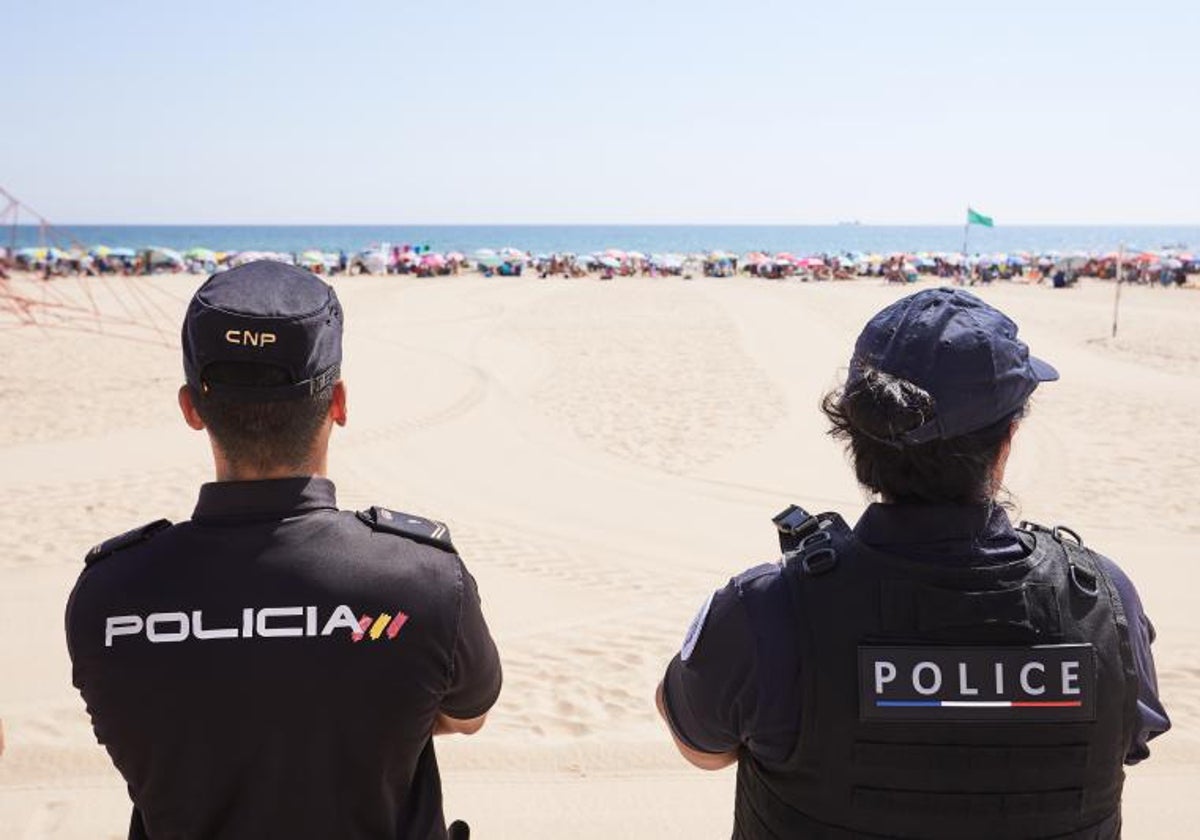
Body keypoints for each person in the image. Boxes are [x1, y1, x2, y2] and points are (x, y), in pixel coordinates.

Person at [656, 287, 1169, 839]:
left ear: (857, 437)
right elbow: (1125, 744)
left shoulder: (768, 607)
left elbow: (700, 745)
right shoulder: (1101, 598)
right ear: (1006, 443)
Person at [66, 260, 501, 840]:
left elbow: (151, 727)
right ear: (339, 403)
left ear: (192, 407)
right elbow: (467, 717)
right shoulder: (421, 581)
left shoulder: (107, 596)